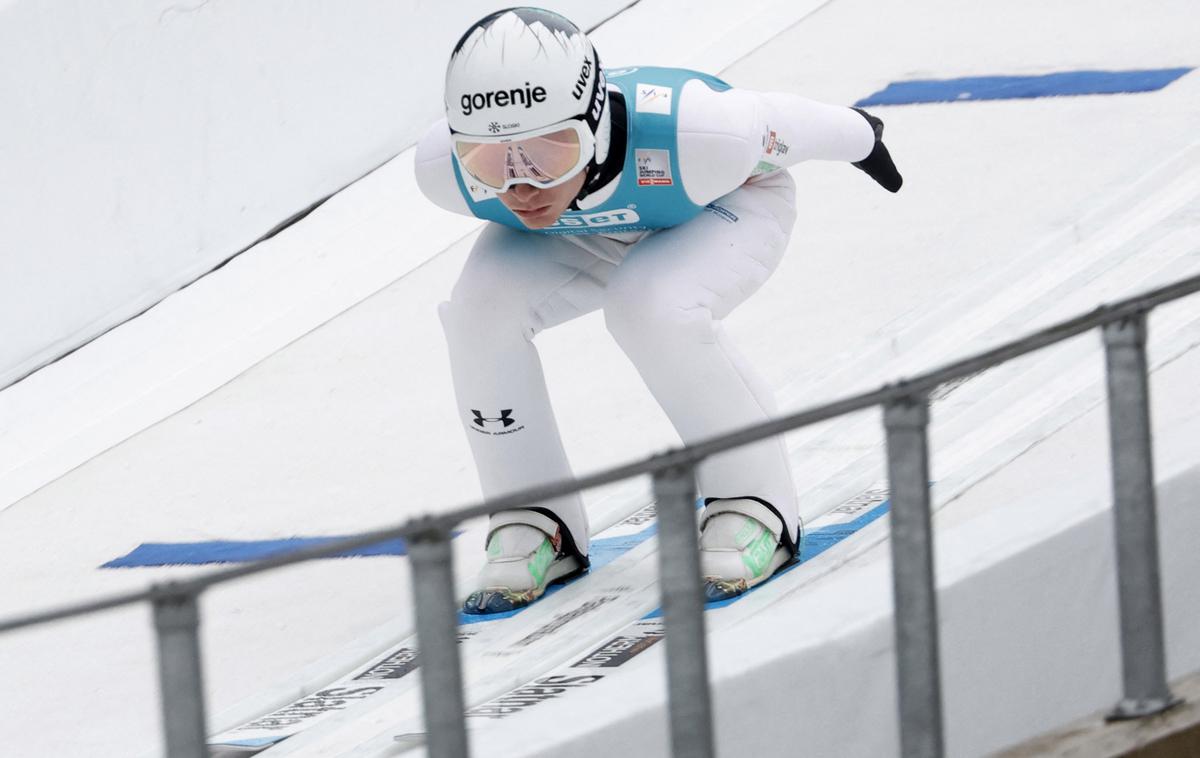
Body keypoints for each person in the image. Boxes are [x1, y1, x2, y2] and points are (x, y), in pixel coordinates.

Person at [414, 7, 901, 614]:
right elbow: (522, 185)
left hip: (717, 204)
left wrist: (862, 134)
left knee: (652, 306)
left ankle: (755, 507)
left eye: (547, 153)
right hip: (575, 228)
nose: (520, 188)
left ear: (593, 123)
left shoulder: (701, 132)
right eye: (490, 161)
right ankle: (531, 513)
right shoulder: (443, 172)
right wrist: (543, 170)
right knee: (477, 314)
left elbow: (787, 123)